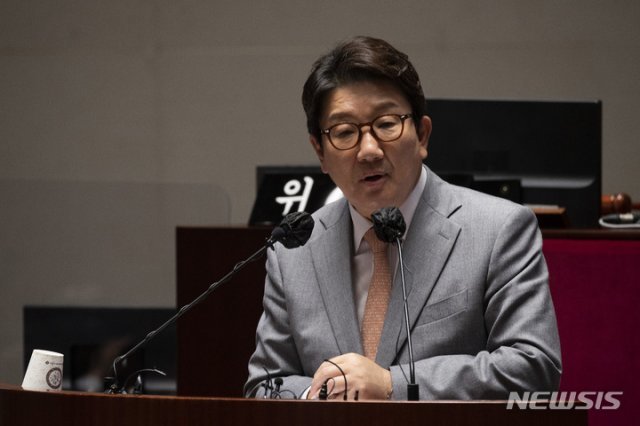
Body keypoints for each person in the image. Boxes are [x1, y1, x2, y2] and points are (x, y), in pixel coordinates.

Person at [244, 35, 561, 400]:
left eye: (386, 124)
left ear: (422, 135)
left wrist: (391, 385)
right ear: (320, 153)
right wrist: (329, 395)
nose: (368, 150)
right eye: (344, 132)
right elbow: (266, 385)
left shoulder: (497, 230)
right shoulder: (294, 252)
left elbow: (533, 367)